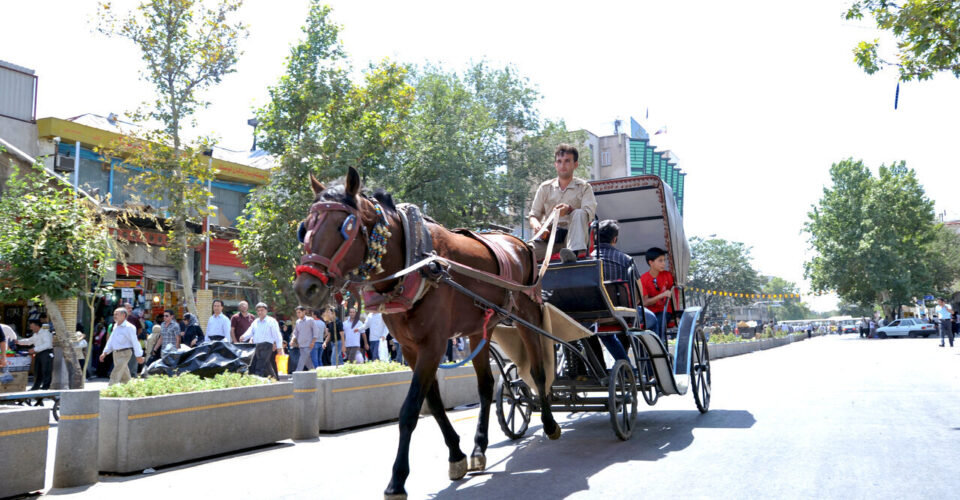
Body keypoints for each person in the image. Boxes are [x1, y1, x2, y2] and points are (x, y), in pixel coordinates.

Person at [527, 144, 597, 263]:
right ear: (555, 165)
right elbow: (533, 215)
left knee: (580, 213)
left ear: (575, 165)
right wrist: (538, 227)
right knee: (524, 252)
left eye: (567, 161)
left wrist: (570, 209)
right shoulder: (545, 188)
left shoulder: (584, 187)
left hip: (573, 237)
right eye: (559, 161)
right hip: (549, 238)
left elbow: (589, 213)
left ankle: (572, 254)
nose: (562, 165)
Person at [589, 219, 635, 361]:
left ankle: (623, 366)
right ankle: (648, 368)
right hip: (621, 316)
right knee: (652, 320)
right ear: (615, 239)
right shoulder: (626, 260)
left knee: (605, 333)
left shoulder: (587, 260)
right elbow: (636, 294)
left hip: (594, 316)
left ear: (595, 237)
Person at [639, 247, 677, 343]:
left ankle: (659, 348)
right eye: (660, 261)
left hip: (665, 310)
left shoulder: (667, 275)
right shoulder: (643, 279)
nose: (664, 263)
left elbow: (674, 295)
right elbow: (645, 302)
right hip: (650, 312)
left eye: (664, 260)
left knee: (659, 321)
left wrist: (676, 313)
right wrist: (661, 295)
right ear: (651, 263)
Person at [99, 307, 144, 386]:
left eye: (117, 314)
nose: (114, 316)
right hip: (115, 353)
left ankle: (110, 390)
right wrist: (105, 352)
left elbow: (135, 342)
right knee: (124, 376)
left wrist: (138, 355)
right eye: (114, 314)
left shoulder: (129, 327)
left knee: (116, 372)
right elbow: (111, 340)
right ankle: (130, 389)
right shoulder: (115, 326)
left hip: (125, 353)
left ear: (123, 315)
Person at [240, 302, 284, 378]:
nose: (260, 312)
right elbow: (250, 331)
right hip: (257, 346)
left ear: (266, 311)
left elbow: (277, 334)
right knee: (266, 363)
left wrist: (279, 347)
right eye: (258, 310)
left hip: (267, 345)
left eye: (262, 310)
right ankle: (274, 378)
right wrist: (244, 336)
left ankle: (258, 379)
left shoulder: (271, 321)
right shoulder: (255, 322)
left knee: (260, 364)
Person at [18, 320, 54, 390]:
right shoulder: (36, 334)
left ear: (37, 326)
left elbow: (48, 344)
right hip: (39, 353)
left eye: (32, 327)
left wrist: (35, 349)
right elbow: (29, 341)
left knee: (46, 370)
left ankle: (45, 387)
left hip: (46, 353)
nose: (31, 328)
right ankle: (36, 386)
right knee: (37, 371)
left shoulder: (45, 333)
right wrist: (18, 342)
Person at [291, 306, 321, 372]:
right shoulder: (297, 322)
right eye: (297, 313)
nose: (297, 314)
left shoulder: (310, 320)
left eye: (299, 312)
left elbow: (316, 331)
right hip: (301, 345)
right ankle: (315, 373)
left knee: (301, 361)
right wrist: (292, 340)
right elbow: (295, 333)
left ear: (304, 312)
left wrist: (313, 342)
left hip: (308, 344)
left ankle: (296, 374)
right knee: (308, 362)